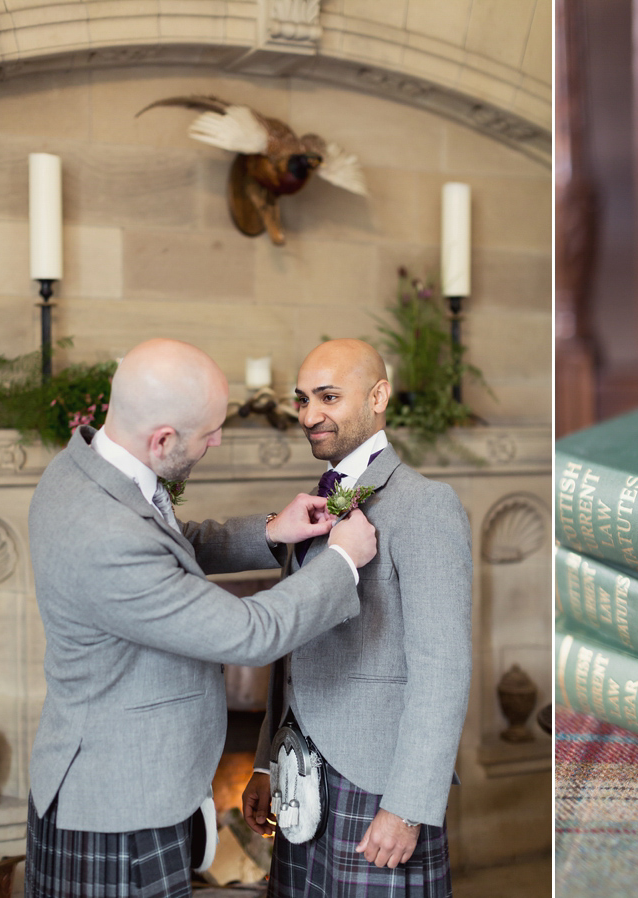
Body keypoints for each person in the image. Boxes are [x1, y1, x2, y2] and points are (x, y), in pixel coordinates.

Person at [25, 338, 378, 898]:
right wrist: (342, 561)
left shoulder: (86, 469)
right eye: (209, 432)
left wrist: (268, 531)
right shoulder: (105, 536)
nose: (217, 440)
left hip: (131, 784)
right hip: (118, 812)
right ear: (161, 438)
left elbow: (170, 542)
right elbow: (248, 633)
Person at [242, 339, 472, 897]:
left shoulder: (427, 505)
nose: (310, 415)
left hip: (378, 787)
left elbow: (443, 667)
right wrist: (268, 762)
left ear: (378, 396)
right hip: (299, 778)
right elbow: (294, 649)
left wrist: (409, 806)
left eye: (328, 397)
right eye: (302, 400)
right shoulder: (311, 507)